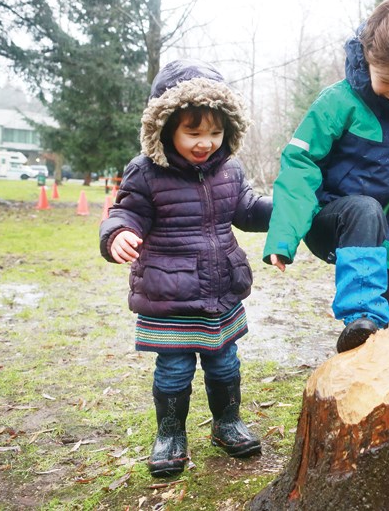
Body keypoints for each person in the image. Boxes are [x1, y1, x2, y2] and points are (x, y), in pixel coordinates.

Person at [99, 59, 272, 478]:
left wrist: (282, 210)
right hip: (169, 293)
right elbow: (126, 213)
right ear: (166, 126)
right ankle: (170, 433)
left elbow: (246, 211)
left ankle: (226, 423)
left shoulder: (230, 169)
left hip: (219, 291)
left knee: (225, 363)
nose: (205, 143)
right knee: (174, 369)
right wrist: (117, 234)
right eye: (193, 132)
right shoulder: (145, 171)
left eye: (215, 133)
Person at [263, 0, 389, 353]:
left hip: (388, 243)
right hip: (333, 222)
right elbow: (299, 167)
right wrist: (283, 237)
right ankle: (361, 315)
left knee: (372, 329)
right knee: (366, 213)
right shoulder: (339, 103)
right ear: (368, 54)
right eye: (388, 81)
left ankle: (363, 351)